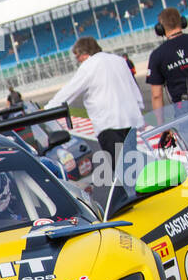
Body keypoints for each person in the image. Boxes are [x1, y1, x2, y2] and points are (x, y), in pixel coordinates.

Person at [44, 37, 145, 186]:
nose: (78, 61)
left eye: (77, 57)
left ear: (83, 53)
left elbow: (70, 91)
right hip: (129, 120)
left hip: (108, 124)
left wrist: (47, 110)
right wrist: (139, 108)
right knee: (134, 167)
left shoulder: (89, 65)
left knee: (123, 173)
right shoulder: (118, 60)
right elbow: (133, 86)